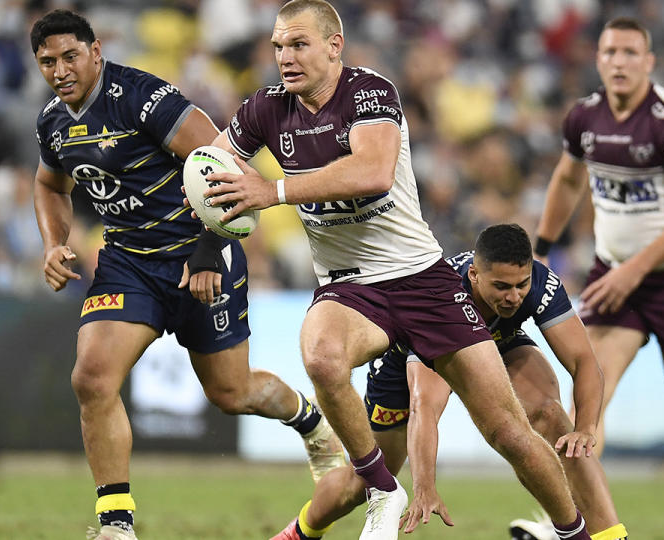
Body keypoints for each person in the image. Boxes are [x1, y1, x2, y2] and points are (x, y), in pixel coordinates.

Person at [191, 2, 592, 539]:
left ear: (334, 46)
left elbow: (374, 171)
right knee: (322, 354)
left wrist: (274, 191)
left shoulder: (370, 92)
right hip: (350, 288)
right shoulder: (264, 108)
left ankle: (575, 534)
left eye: (299, 44)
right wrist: (201, 245)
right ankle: (382, 487)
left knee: (509, 432)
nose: (285, 57)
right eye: (278, 46)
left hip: (421, 278)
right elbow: (211, 170)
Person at [29, 10, 344, 540]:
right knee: (92, 377)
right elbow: (49, 185)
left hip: (200, 255)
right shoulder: (52, 122)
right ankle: (116, 524)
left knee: (232, 392)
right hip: (128, 264)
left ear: (96, 51)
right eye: (47, 62)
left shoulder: (145, 100)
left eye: (69, 56)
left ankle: (312, 424)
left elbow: (231, 171)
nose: (59, 70)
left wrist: (206, 252)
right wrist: (54, 243)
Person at [270, 224, 630, 540]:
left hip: (495, 343)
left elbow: (584, 361)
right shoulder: (440, 297)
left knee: (551, 418)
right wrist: (424, 486)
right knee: (358, 486)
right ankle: (300, 532)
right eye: (502, 287)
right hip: (413, 360)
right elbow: (424, 406)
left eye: (521, 285)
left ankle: (608, 535)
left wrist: (586, 427)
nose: (514, 297)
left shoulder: (540, 284)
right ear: (473, 275)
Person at [534, 17, 664, 540]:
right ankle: (570, 524)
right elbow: (566, 179)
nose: (620, 62)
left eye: (631, 52)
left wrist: (635, 270)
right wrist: (541, 249)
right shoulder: (584, 117)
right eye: (611, 52)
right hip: (614, 278)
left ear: (649, 62)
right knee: (589, 401)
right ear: (598, 60)